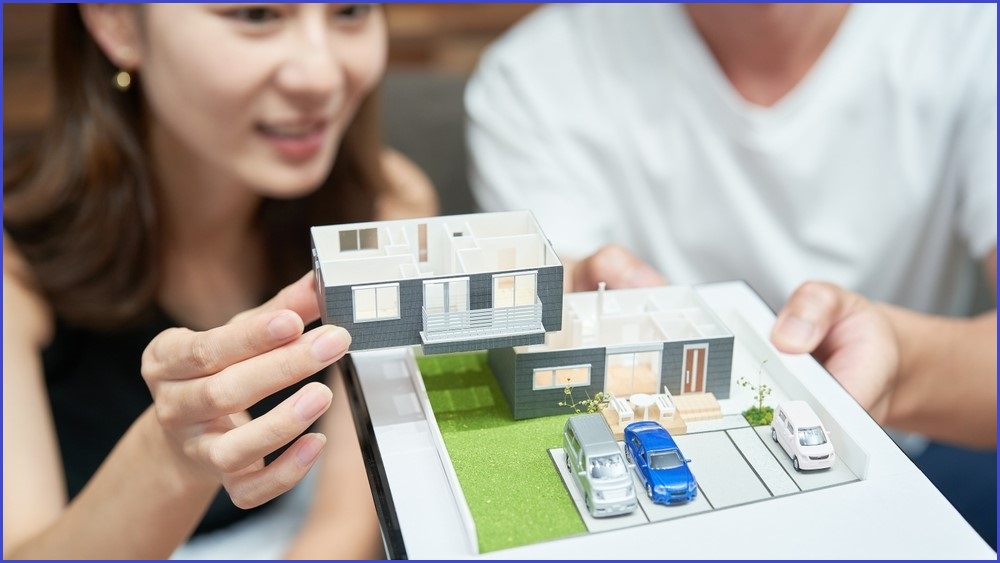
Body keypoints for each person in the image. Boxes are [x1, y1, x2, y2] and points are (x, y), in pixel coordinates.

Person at [465, 3, 996, 546]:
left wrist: (903, 363)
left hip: (918, 447)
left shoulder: (970, 33)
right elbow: (548, 303)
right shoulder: (534, 74)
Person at [3, 3, 437, 559]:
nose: (322, 75)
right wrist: (170, 455)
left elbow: (339, 534)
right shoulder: (16, 263)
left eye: (350, 11)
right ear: (118, 24)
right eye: (256, 15)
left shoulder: (385, 211)